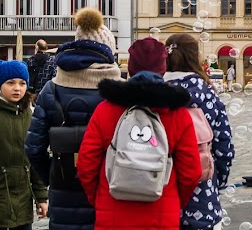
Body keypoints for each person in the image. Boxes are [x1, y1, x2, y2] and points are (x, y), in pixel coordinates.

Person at [76, 38, 202, 230]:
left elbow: (86, 163)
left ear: (131, 68)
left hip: (112, 214)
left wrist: (100, 198)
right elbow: (191, 173)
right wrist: (174, 200)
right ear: (163, 68)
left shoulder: (106, 109)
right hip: (161, 215)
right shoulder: (178, 114)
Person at [24, 7, 122, 230]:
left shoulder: (51, 89)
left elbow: (32, 148)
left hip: (63, 188)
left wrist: (54, 176)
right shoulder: (119, 90)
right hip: (109, 187)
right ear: (108, 49)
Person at [164, 33, 236, 230]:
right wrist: (216, 181)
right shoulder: (205, 92)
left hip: (157, 193)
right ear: (194, 57)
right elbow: (224, 147)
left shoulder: (156, 89)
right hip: (201, 193)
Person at [0, 60, 48, 230]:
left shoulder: (30, 114)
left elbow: (35, 158)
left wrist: (42, 197)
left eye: (22, 83)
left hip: (23, 205)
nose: (17, 88)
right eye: (10, 83)